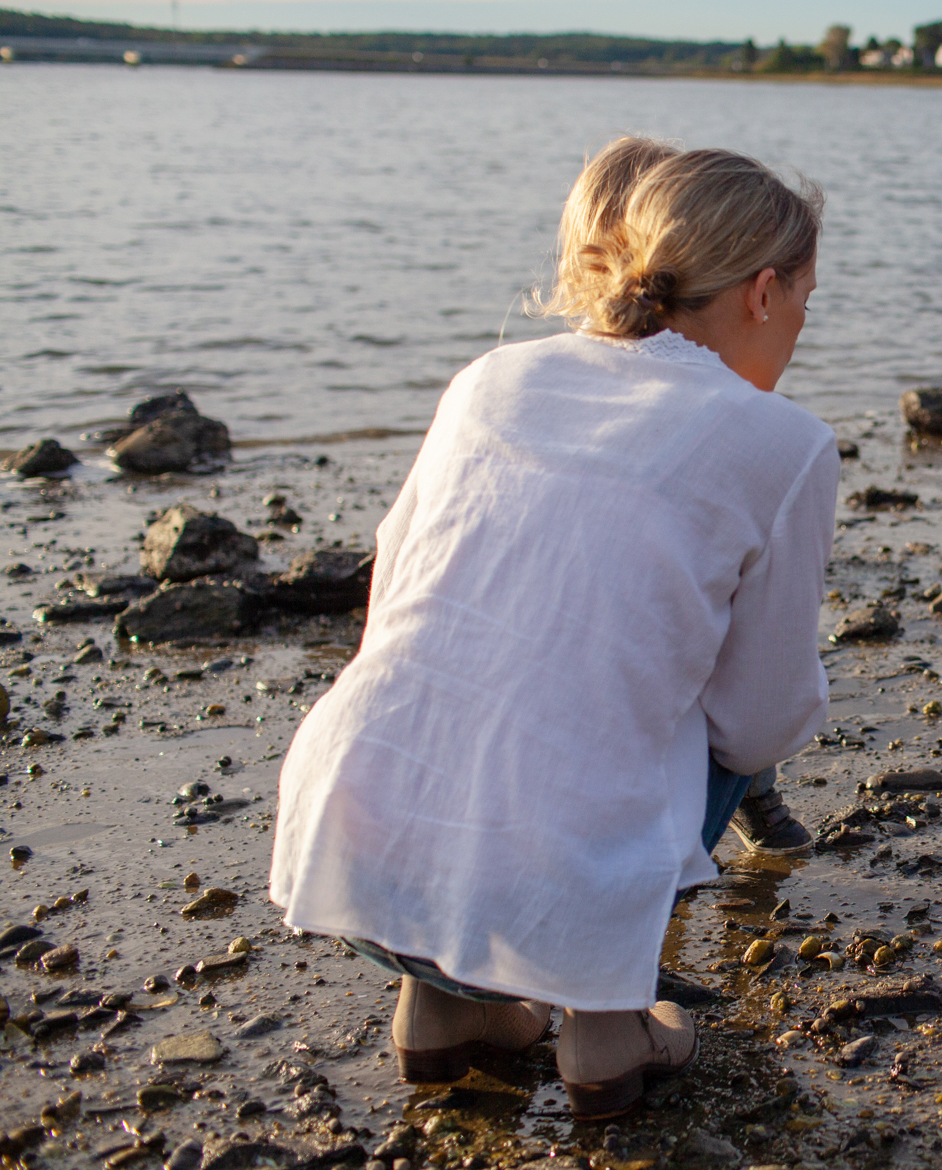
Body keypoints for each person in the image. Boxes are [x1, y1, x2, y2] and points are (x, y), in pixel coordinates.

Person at [269, 138, 838, 1117]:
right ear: (760, 290)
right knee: (667, 708)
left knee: (488, 656)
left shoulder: (491, 376)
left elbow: (393, 592)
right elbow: (760, 718)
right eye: (802, 305)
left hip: (356, 796)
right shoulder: (783, 443)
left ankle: (439, 1012)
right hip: (557, 841)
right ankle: (605, 1025)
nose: (795, 329)